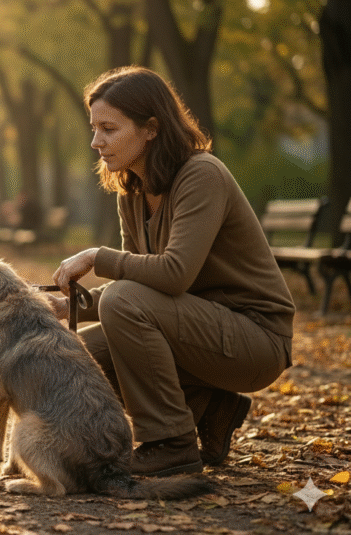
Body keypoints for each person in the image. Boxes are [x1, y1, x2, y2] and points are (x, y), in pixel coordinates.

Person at [48, 66, 294, 478]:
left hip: (256, 339)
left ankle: (171, 443)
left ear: (151, 129)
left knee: (123, 301)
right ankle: (211, 407)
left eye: (109, 129)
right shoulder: (132, 190)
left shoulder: (202, 175)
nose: (96, 142)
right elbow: (138, 285)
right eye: (94, 129)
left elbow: (174, 274)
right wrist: (67, 305)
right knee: (73, 358)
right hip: (199, 330)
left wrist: (96, 256)